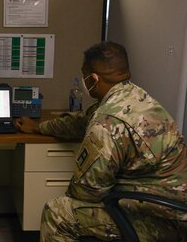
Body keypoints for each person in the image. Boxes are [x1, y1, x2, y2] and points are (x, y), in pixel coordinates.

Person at [15, 41, 187, 241]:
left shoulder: (106, 123)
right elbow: (81, 122)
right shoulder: (133, 96)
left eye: (84, 74)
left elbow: (86, 192)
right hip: (170, 204)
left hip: (159, 219)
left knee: (58, 212)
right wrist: (38, 127)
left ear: (93, 78)